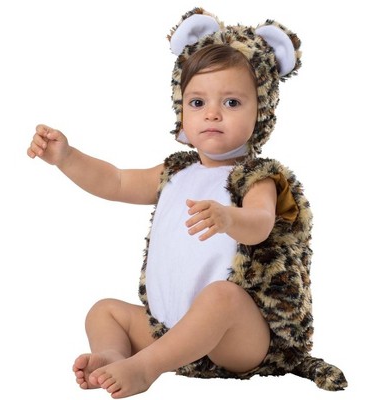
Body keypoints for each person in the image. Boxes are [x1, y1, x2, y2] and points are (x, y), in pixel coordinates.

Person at [27, 8, 347, 399]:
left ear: (261, 110)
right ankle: (114, 354)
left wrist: (229, 218)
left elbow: (261, 222)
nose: (212, 113)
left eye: (232, 102)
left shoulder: (256, 176)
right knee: (104, 310)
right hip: (174, 332)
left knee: (222, 296)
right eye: (197, 102)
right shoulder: (175, 172)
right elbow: (115, 180)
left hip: (239, 341)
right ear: (181, 107)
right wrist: (66, 157)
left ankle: (146, 367)